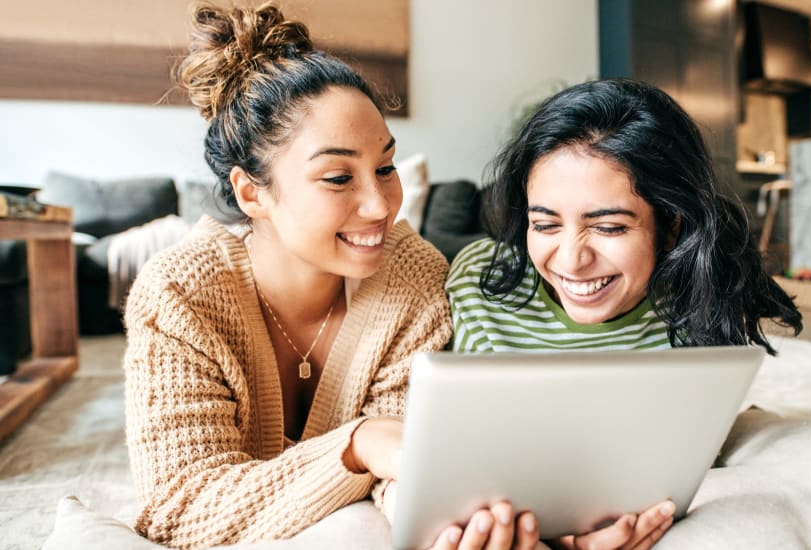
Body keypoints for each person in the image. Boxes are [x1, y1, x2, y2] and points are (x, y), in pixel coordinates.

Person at [123, 4, 538, 549]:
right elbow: (181, 512)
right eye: (339, 176)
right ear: (252, 192)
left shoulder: (413, 279)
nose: (380, 205)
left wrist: (453, 524)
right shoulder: (179, 295)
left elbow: (404, 466)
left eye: (386, 168)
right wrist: (356, 444)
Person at [446, 78, 804, 549]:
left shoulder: (701, 299)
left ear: (671, 225)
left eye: (609, 227)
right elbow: (460, 456)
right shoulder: (481, 284)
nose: (572, 260)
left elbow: (681, 458)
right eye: (545, 223)